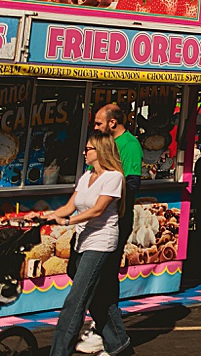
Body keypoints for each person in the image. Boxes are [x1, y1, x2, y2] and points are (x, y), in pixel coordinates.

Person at [48, 132, 132, 356]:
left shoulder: (114, 177)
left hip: (101, 243)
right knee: (97, 297)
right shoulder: (86, 176)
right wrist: (45, 218)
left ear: (100, 151)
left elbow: (97, 210)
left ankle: (59, 352)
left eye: (88, 149)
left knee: (76, 301)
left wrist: (69, 221)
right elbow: (69, 206)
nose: (85, 153)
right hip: (82, 242)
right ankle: (119, 344)